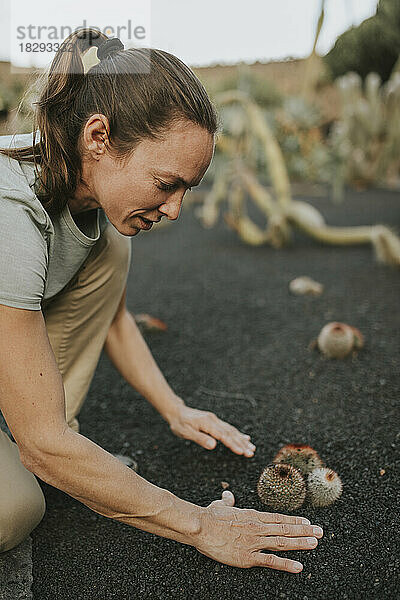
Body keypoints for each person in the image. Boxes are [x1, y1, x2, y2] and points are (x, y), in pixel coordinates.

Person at [0, 29, 323, 571]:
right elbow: (42, 442)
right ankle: (48, 450)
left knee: (110, 250)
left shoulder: (86, 202)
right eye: (166, 183)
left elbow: (113, 319)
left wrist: (175, 408)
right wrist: (198, 524)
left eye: (186, 191)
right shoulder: (11, 213)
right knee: (14, 509)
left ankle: (51, 444)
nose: (174, 210)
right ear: (98, 136)